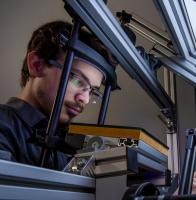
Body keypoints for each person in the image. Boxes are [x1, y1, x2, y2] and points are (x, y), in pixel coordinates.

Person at [0, 20, 117, 170]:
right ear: (37, 65)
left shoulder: (69, 143)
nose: (85, 99)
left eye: (92, 91)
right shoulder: (5, 127)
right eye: (76, 80)